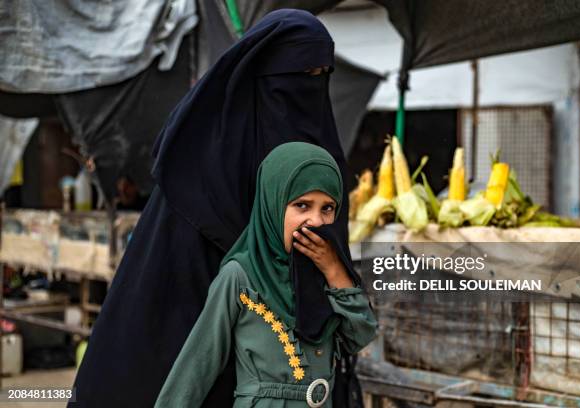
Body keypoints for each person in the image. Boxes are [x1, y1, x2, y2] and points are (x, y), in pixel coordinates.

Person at [69, 9, 362, 407]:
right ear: (261, 78)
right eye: (297, 78)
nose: (309, 91)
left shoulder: (319, 163)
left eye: (320, 77)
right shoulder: (203, 173)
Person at [155, 142, 377, 407]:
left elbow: (359, 337)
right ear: (273, 204)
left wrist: (333, 270)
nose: (316, 221)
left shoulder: (326, 275)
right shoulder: (240, 276)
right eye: (302, 205)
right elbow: (198, 365)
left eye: (327, 208)